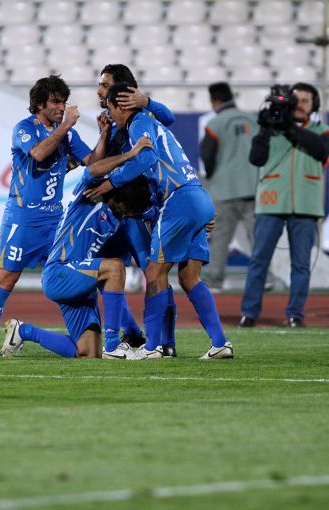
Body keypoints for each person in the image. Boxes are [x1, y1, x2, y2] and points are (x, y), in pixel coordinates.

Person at [86, 82, 233, 361]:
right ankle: (220, 343)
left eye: (110, 108)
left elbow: (146, 158)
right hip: (197, 196)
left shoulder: (138, 122)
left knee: (154, 273)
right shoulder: (153, 121)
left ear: (121, 105)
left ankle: (153, 346)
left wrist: (112, 182)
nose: (109, 114)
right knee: (189, 277)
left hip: (177, 199)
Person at [0, 75, 109, 356]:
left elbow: (93, 163)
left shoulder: (67, 134)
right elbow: (38, 153)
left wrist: (104, 135)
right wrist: (66, 125)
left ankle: (89, 339)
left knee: (72, 275)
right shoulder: (24, 129)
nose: (61, 107)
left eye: (63, 102)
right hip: (22, 221)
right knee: (6, 280)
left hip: (55, 223)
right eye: (55, 102)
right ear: (39, 104)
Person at [1, 158, 154, 360]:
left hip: (81, 281)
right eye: (125, 208)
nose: (125, 214)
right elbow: (91, 170)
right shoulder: (90, 195)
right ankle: (113, 345)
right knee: (115, 268)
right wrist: (131, 154)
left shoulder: (117, 214)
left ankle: (23, 331)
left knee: (89, 353)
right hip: (60, 272)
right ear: (118, 197)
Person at [95, 63, 180, 355]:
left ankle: (166, 342)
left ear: (124, 92)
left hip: (138, 213)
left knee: (154, 274)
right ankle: (131, 332)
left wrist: (146, 101)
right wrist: (104, 135)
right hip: (114, 213)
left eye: (105, 85)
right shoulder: (112, 121)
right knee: (102, 271)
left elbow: (169, 118)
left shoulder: (141, 115)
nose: (100, 91)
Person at [239, 83, 329, 328]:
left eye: (306, 100)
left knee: (301, 263)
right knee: (259, 260)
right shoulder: (271, 128)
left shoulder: (323, 131)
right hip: (271, 201)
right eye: (297, 100)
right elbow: (256, 159)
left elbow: (321, 151)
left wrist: (288, 128)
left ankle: (295, 314)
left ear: (315, 105)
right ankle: (249, 314)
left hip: (306, 203)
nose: (300, 105)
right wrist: (265, 129)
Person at [199, 82, 259, 291]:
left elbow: (207, 154)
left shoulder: (215, 123)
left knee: (221, 237)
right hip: (253, 187)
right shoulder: (253, 120)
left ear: (215, 100)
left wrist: (213, 176)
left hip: (224, 189)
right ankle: (264, 277)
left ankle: (215, 279)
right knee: (257, 237)